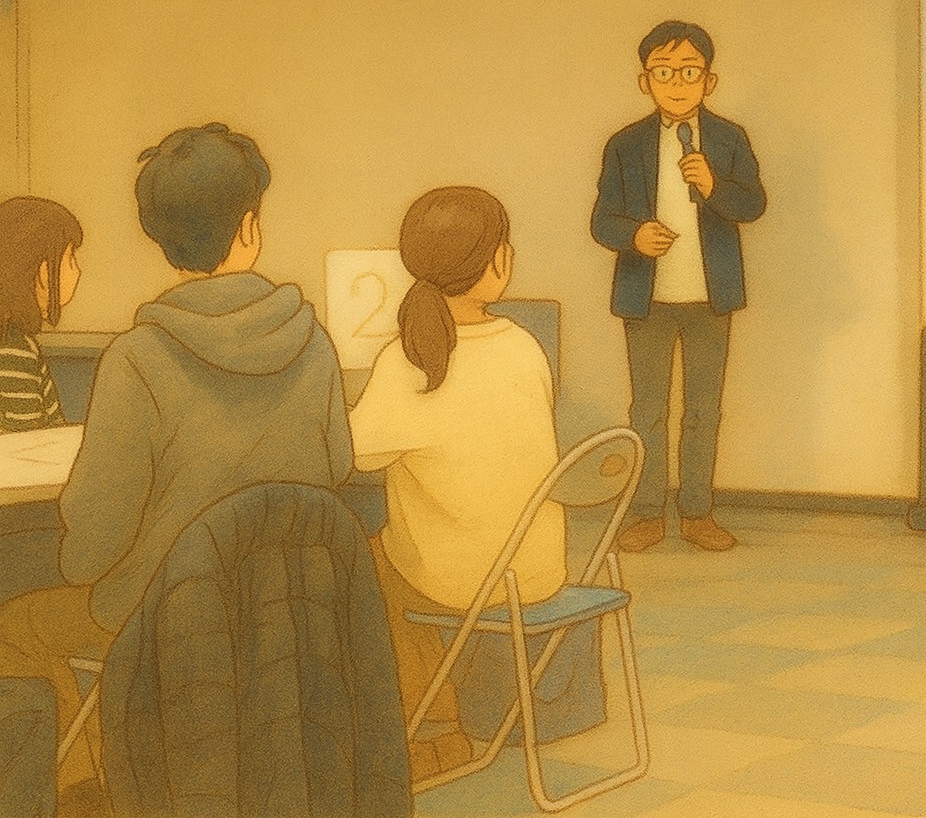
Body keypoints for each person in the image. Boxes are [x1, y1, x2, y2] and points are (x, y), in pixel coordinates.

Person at [0, 122, 353, 805]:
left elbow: (92, 547)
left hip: (161, 616)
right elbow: (336, 468)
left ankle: (89, 790)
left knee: (15, 629)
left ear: (160, 239)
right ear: (250, 227)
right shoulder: (314, 345)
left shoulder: (137, 359)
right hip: (284, 611)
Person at [349, 186, 563, 782]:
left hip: (464, 581)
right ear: (496, 261)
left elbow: (355, 455)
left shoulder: (407, 360)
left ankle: (436, 730)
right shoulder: (523, 346)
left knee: (362, 559)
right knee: (395, 553)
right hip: (539, 568)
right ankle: (442, 721)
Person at [591, 20, 766, 553]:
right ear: (644, 81)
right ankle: (647, 513)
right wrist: (634, 235)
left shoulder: (729, 139)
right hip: (646, 299)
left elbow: (753, 204)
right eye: (663, 72)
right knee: (647, 412)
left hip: (711, 298)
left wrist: (713, 186)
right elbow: (602, 220)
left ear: (709, 81)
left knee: (703, 411)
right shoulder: (625, 145)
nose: (677, 83)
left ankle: (696, 512)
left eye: (689, 72)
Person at [0, 197, 82, 433]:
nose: (78, 271)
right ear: (44, 269)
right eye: (71, 258)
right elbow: (27, 443)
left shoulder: (18, 343)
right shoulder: (13, 349)